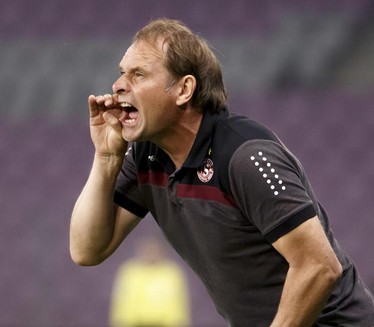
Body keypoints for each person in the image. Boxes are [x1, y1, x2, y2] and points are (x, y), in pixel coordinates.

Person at [69, 18, 374, 326]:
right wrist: (107, 158)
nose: (119, 85)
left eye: (139, 74)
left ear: (184, 89)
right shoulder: (147, 156)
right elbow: (86, 250)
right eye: (123, 73)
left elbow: (319, 266)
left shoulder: (245, 156)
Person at [110, 236, 190, 327]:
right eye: (148, 251)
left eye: (154, 251)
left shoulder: (171, 272)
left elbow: (178, 303)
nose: (151, 254)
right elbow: (122, 301)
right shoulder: (130, 272)